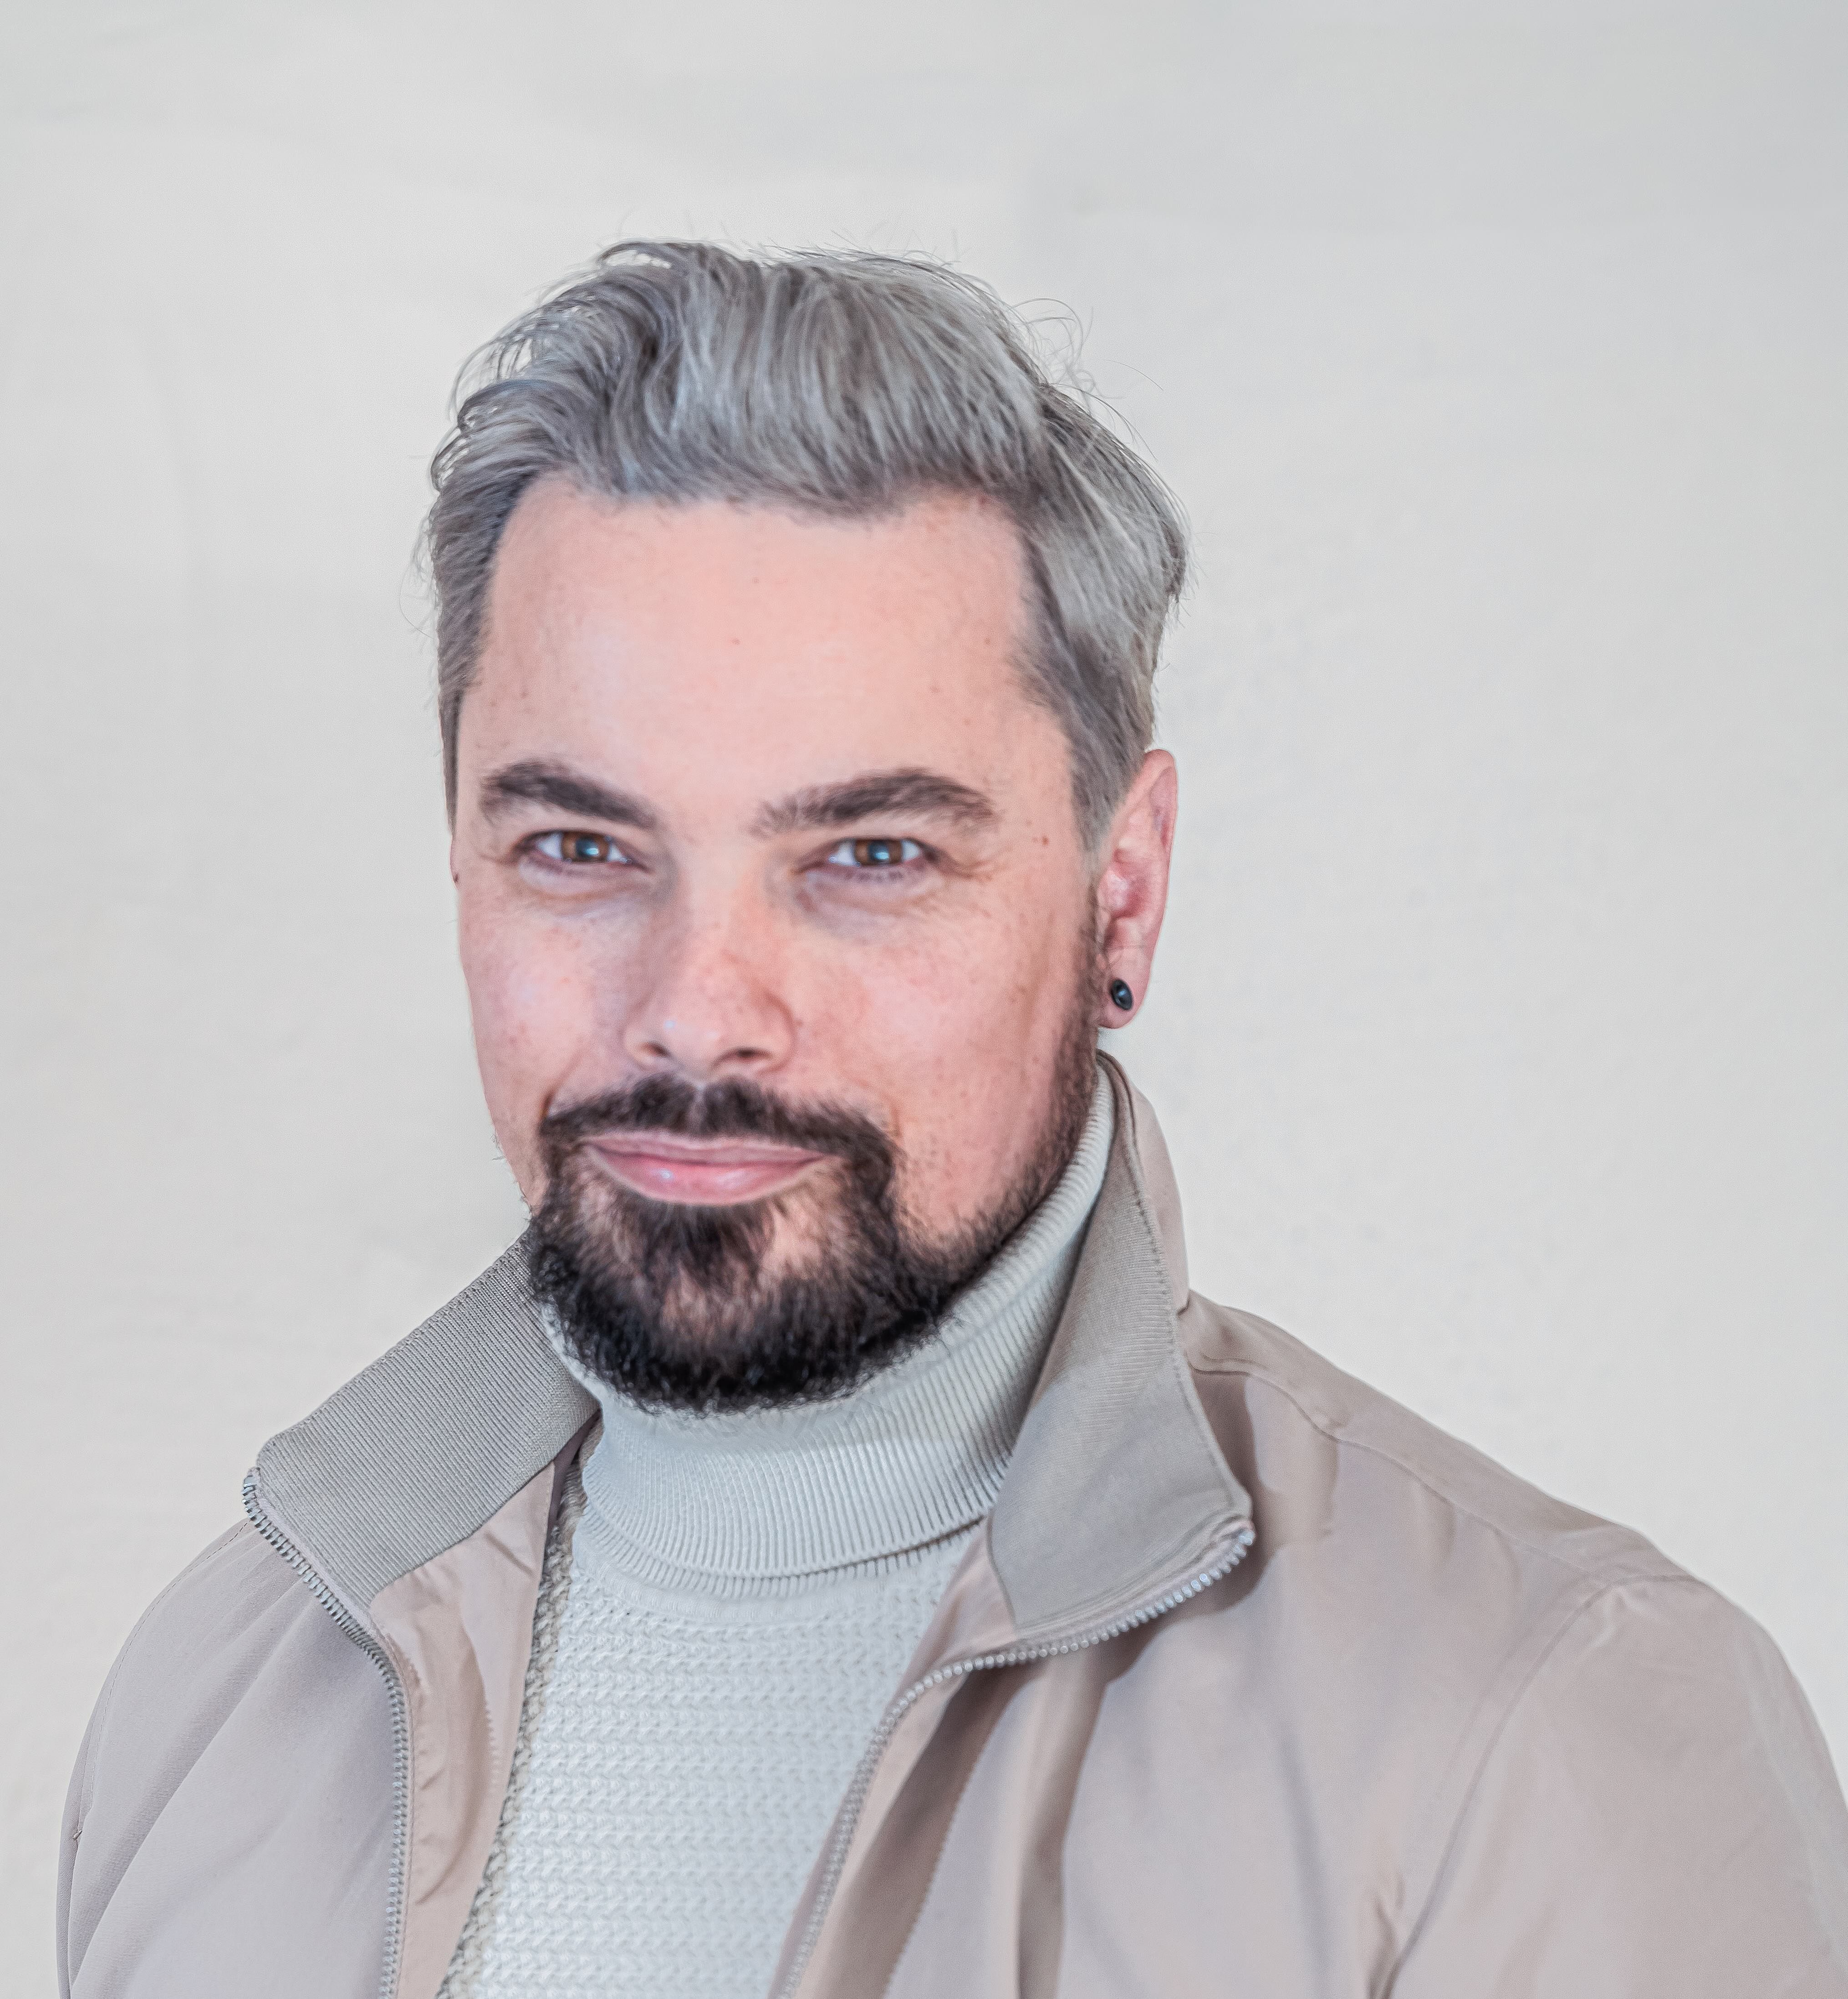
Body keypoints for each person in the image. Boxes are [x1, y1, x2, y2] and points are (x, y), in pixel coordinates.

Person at [57, 242, 1848, 1999]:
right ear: (460, 855)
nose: (698, 1006)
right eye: (583, 849)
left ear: (1120, 898)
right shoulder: (220, 1694)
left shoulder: (1530, 1732)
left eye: (871, 856)